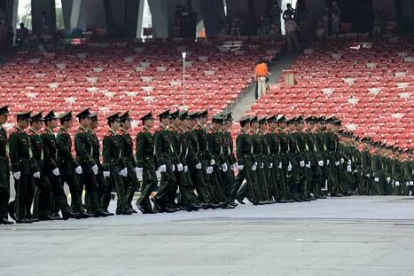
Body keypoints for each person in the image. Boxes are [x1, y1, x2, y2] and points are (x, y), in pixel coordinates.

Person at [75, 108, 110, 218]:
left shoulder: (88, 133)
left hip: (90, 165)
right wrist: (92, 163)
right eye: (87, 119)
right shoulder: (79, 134)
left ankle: (95, 208)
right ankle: (77, 209)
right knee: (79, 188)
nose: (89, 121)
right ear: (82, 120)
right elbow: (82, 151)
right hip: (83, 164)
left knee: (93, 187)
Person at [57, 111, 92, 219]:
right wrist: (75, 164)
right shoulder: (61, 135)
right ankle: (65, 210)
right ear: (66, 121)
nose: (72, 122)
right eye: (71, 120)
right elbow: (65, 152)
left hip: (67, 165)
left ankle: (78, 209)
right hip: (63, 165)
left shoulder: (65, 133)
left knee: (75, 187)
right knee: (60, 189)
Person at [40, 110, 73, 220]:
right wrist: (53, 166)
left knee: (58, 188)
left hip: (54, 166)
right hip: (48, 167)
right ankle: (45, 212)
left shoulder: (51, 135)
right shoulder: (44, 135)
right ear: (48, 121)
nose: (56, 121)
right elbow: (47, 154)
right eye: (54, 120)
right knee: (47, 189)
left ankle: (65, 211)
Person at [8, 112, 39, 223]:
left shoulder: (25, 135)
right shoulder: (14, 135)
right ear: (19, 120)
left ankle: (25, 212)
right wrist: (15, 168)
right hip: (20, 166)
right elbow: (13, 153)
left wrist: (35, 168)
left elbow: (30, 153)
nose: (27, 123)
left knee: (30, 190)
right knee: (21, 192)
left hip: (28, 167)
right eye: (26, 121)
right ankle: (20, 214)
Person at [102, 113, 131, 215]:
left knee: (109, 187)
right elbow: (106, 153)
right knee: (119, 185)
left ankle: (104, 207)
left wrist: (123, 166)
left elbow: (120, 154)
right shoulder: (108, 137)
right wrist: (106, 168)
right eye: (117, 122)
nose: (119, 123)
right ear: (112, 123)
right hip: (111, 165)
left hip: (117, 164)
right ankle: (122, 207)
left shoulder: (117, 136)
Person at [230, 116, 262, 205]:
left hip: (248, 160)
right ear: (246, 124)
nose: (249, 124)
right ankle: (256, 199)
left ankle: (234, 197)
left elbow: (251, 150)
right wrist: (240, 162)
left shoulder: (247, 135)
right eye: (248, 123)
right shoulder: (241, 136)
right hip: (244, 161)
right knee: (252, 180)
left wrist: (253, 160)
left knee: (239, 180)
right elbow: (239, 150)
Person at [151, 110, 178, 213]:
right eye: (167, 118)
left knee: (167, 180)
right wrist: (161, 162)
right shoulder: (159, 132)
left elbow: (170, 148)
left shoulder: (166, 132)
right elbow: (157, 149)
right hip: (163, 158)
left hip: (168, 158)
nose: (169, 120)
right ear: (162, 119)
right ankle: (157, 197)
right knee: (171, 180)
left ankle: (162, 203)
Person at [29, 112, 53, 221]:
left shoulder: (36, 136)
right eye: (39, 122)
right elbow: (31, 154)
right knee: (33, 190)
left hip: (40, 166)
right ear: (34, 123)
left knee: (45, 187)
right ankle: (37, 213)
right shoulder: (31, 136)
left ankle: (43, 213)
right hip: (33, 167)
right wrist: (34, 167)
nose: (41, 124)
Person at [135, 112, 158, 214]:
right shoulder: (142, 134)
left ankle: (146, 206)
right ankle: (140, 200)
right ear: (145, 121)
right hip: (146, 161)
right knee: (152, 180)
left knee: (146, 183)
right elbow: (139, 150)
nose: (152, 121)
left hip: (150, 160)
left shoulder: (148, 133)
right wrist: (139, 163)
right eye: (150, 120)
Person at [119, 111, 140, 214]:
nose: (129, 123)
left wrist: (134, 164)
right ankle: (125, 205)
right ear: (122, 123)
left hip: (129, 162)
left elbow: (130, 152)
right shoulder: (121, 135)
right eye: (127, 121)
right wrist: (123, 165)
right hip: (125, 162)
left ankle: (127, 204)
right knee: (131, 182)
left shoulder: (126, 135)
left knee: (131, 183)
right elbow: (121, 152)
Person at [0, 106, 12, 224]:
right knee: (2, 188)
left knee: (6, 189)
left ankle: (3, 215)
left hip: (4, 162)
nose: (6, 119)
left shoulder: (2, 130)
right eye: (4, 116)